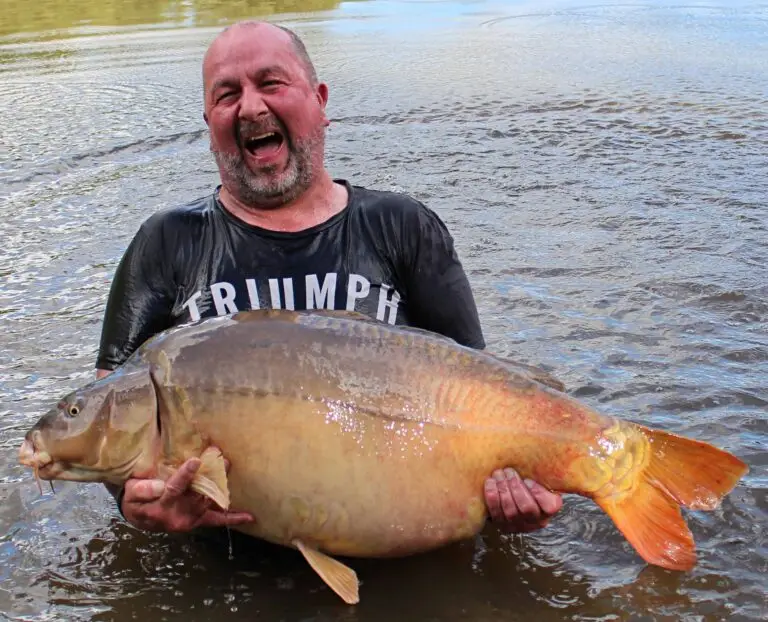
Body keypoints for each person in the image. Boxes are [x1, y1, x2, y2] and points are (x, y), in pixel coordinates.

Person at [95, 21, 563, 537]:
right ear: (209, 124)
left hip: (395, 556)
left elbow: (482, 391)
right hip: (227, 558)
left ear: (319, 101)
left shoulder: (402, 227)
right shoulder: (165, 243)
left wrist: (515, 489)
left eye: (271, 84)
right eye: (227, 95)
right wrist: (131, 502)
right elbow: (104, 412)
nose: (251, 107)